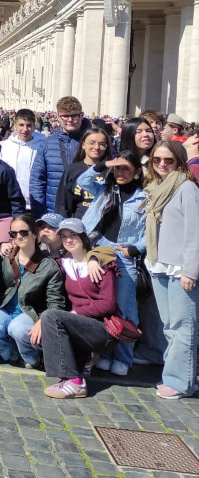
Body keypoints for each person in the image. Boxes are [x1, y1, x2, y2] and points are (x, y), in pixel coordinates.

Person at [80, 151, 150, 375]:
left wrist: (135, 248)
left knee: (125, 308)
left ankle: (124, 357)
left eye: (126, 168)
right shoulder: (106, 190)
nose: (121, 172)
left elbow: (151, 231)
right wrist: (106, 164)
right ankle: (106, 353)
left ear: (137, 172)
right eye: (118, 168)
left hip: (125, 253)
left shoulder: (144, 198)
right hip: (100, 250)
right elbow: (82, 181)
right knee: (104, 305)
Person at [143, 141, 199, 399]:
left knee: (183, 326)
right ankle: (175, 375)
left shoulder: (187, 188)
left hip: (180, 268)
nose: (162, 165)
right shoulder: (155, 187)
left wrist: (191, 270)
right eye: (157, 160)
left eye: (169, 160)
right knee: (168, 325)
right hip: (159, 264)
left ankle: (180, 382)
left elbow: (194, 232)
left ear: (180, 161)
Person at [41, 218, 119, 399]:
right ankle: (71, 373)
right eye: (64, 236)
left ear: (83, 237)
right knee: (46, 322)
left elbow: (108, 304)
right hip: (78, 327)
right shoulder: (63, 264)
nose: (69, 240)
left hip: (103, 330)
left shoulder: (101, 263)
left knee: (51, 316)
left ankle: (75, 382)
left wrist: (77, 313)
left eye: (73, 235)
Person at [0, 213, 65, 367]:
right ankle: (6, 349)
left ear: (34, 234)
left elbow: (55, 300)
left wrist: (43, 319)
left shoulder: (48, 265)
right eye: (14, 233)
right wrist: (0, 246)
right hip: (6, 310)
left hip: (31, 313)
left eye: (23, 232)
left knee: (17, 329)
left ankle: (29, 355)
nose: (19, 237)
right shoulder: (8, 258)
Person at [29, 96, 91, 216]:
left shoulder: (93, 142)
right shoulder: (47, 144)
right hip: (54, 211)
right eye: (65, 116)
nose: (70, 120)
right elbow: (37, 180)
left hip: (86, 212)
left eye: (74, 116)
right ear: (58, 117)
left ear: (82, 115)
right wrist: (40, 214)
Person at [54, 127, 111, 219]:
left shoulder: (111, 171)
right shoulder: (72, 170)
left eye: (102, 144)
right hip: (77, 226)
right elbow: (63, 204)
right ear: (83, 144)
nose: (96, 147)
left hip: (105, 226)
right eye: (91, 143)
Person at [0, 109, 45, 210]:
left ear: (34, 126)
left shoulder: (43, 145)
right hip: (11, 201)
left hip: (36, 201)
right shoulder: (5, 145)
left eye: (29, 125)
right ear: (15, 125)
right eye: (21, 125)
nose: (25, 129)